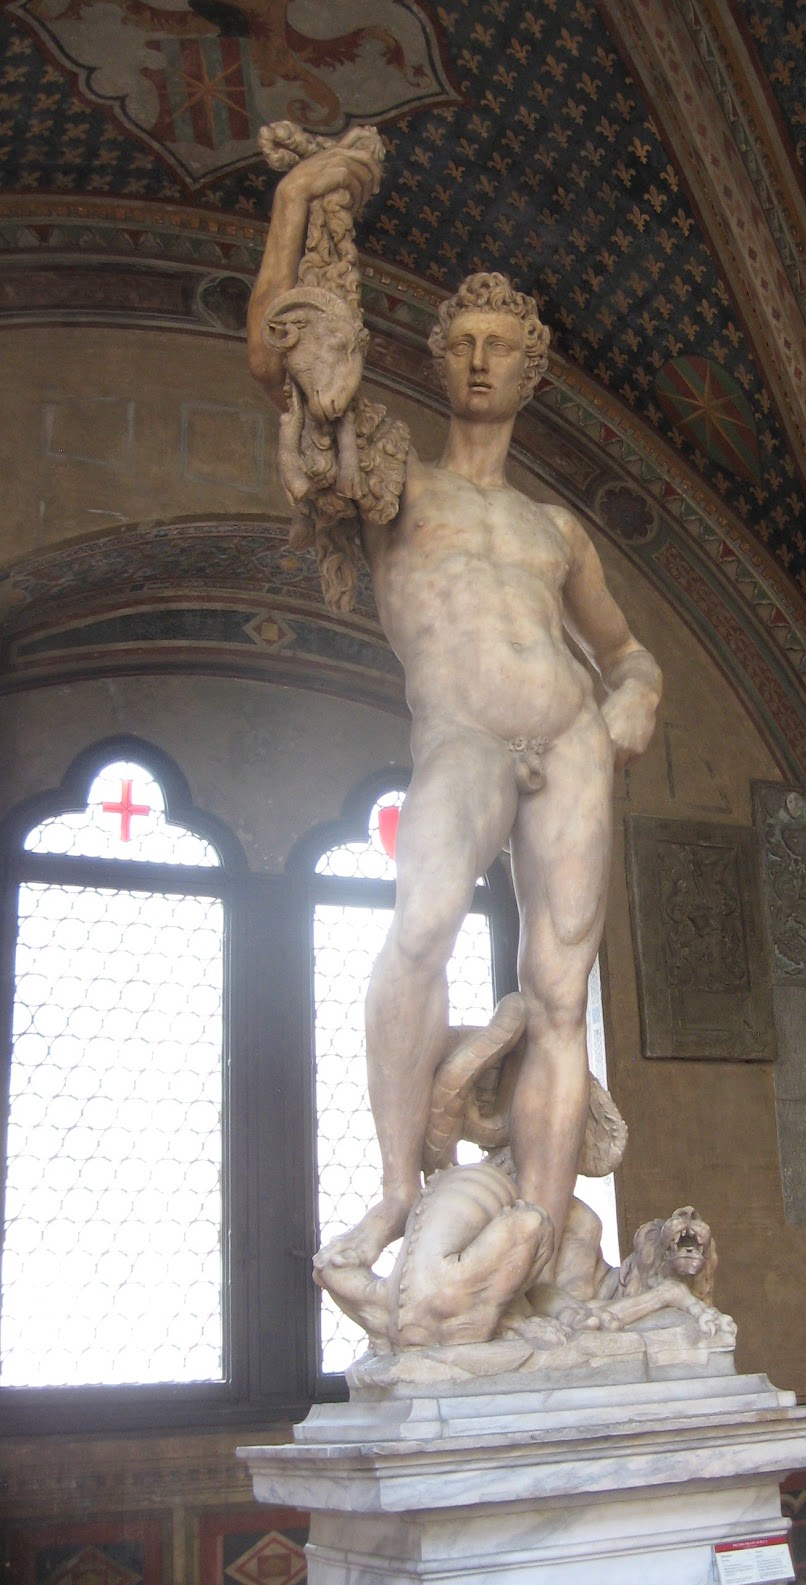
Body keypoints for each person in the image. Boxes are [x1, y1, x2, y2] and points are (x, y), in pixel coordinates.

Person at [247, 139, 662, 1283]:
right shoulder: (399, 482)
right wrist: (297, 201)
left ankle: (539, 1227)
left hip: (570, 738)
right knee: (421, 928)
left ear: (533, 372)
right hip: (465, 734)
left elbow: (628, 651)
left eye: (502, 348)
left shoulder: (554, 528)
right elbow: (283, 365)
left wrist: (632, 697)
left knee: (562, 993)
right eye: (463, 345)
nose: (480, 362)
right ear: (437, 364)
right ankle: (397, 1187)